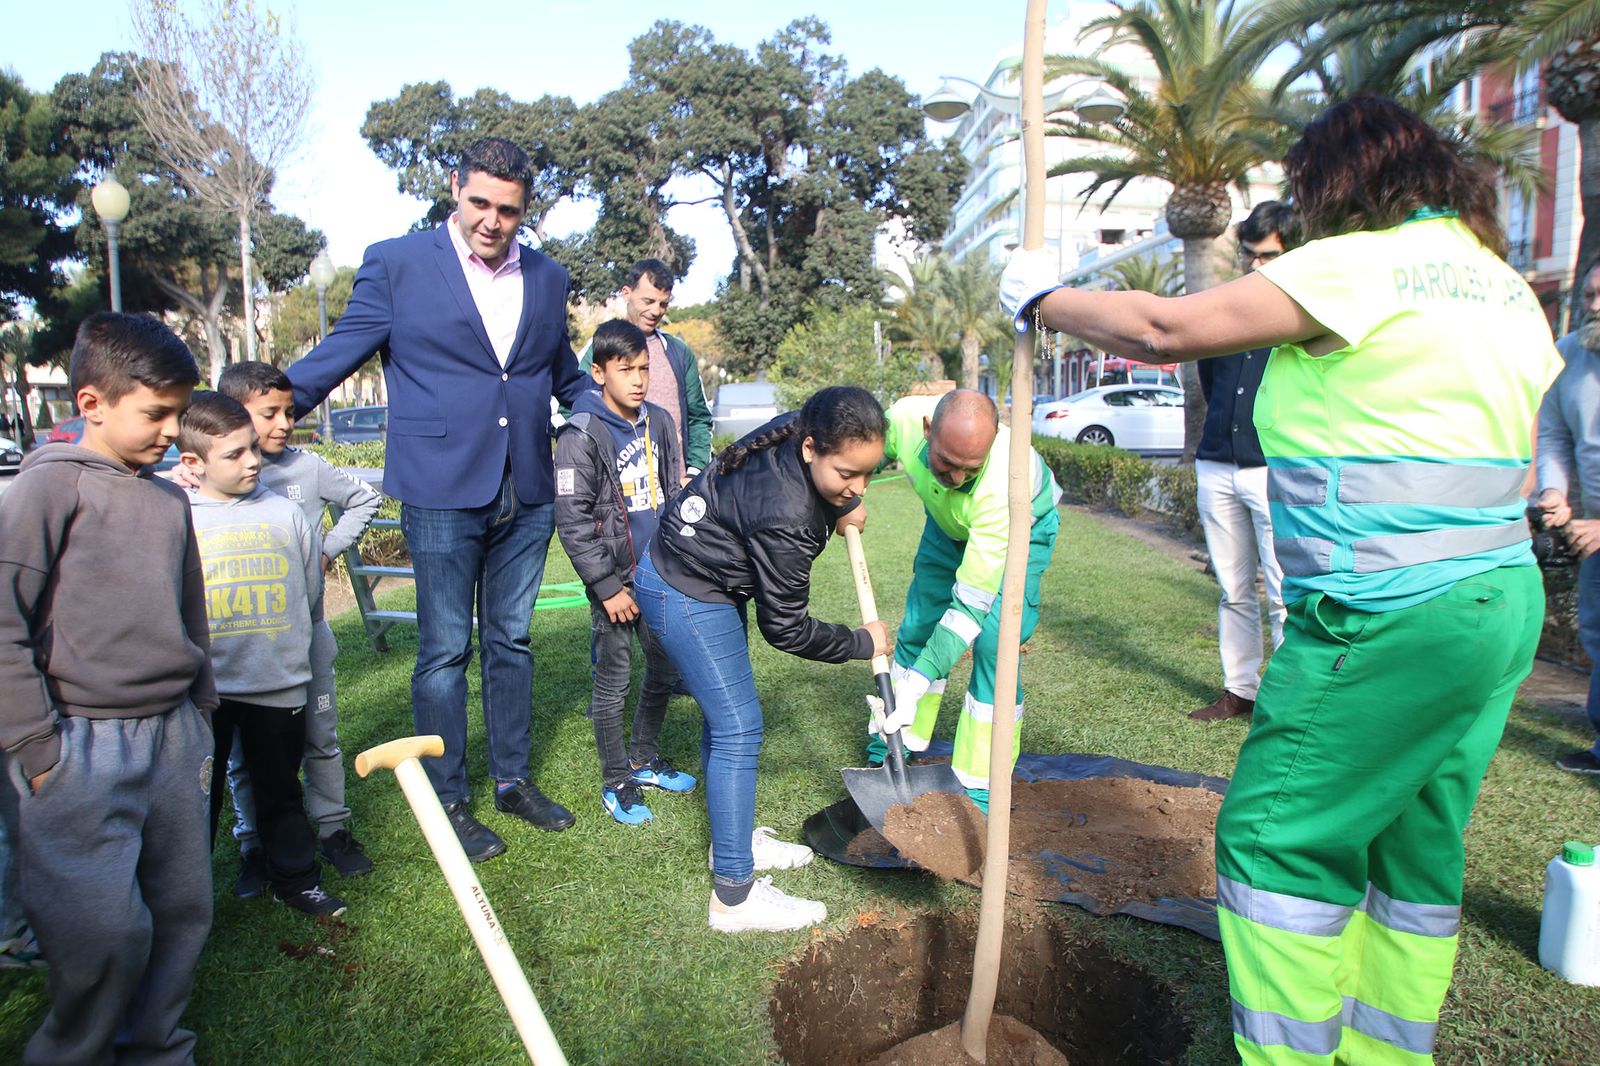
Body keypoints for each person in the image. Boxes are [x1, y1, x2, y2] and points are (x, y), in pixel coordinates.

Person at [1002, 95, 1561, 1066]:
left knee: (1274, 840)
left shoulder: (1358, 262)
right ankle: (1386, 1054)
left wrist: (1038, 300)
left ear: (1341, 181)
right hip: (1498, 600)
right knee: (1413, 839)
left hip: (1386, 610)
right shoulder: (1497, 281)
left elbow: (1162, 328)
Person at [286, 137, 592, 862]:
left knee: (510, 642)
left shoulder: (549, 278)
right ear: (454, 188)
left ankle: (513, 781)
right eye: (479, 202)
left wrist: (610, 417)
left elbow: (561, 373)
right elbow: (343, 349)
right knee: (444, 650)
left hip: (527, 487)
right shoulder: (396, 263)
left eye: (508, 210)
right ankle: (449, 797)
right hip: (440, 489)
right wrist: (261, 407)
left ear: (526, 209)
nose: (492, 220)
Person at [0, 312, 216, 1064]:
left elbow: (191, 611)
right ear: (91, 402)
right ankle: (75, 1052)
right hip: (77, 744)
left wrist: (202, 710)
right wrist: (35, 745)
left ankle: (158, 1047)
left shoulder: (165, 499)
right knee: (102, 929)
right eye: (155, 414)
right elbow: (4, 620)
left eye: (177, 415)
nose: (169, 431)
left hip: (174, 738)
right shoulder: (45, 490)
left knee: (182, 911)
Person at [634, 386, 890, 932]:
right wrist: (862, 642)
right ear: (811, 448)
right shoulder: (789, 516)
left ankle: (732, 838)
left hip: (697, 574)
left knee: (726, 722)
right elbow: (787, 629)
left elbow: (830, 488)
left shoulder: (800, 428)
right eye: (847, 473)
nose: (859, 487)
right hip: (685, 590)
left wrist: (842, 499)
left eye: (869, 473)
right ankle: (733, 896)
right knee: (738, 728)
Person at [179, 392, 345, 918]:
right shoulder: (176, 515)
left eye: (252, 449)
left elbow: (311, 594)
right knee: (196, 802)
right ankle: (185, 899)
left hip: (278, 684)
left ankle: (297, 878)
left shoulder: (287, 513)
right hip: (207, 693)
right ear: (192, 463)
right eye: (233, 455)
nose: (252, 461)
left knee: (280, 791)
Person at [217, 361, 381, 891]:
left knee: (321, 737)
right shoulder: (217, 479)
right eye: (270, 414)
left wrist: (326, 550)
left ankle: (333, 830)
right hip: (241, 651)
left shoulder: (306, 469)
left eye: (288, 412)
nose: (284, 423)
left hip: (307, 638)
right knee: (244, 756)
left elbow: (364, 497)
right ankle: (253, 844)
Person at [867, 390, 1061, 812]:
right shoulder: (902, 418)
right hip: (946, 525)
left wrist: (916, 684)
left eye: (967, 470)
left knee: (996, 645)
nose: (954, 478)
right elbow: (863, 451)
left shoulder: (1001, 490)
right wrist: (848, 493)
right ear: (926, 432)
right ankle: (897, 741)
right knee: (920, 623)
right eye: (944, 464)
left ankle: (981, 780)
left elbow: (970, 607)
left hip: (1018, 530)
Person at [554, 320, 696, 825]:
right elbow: (571, 520)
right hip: (616, 582)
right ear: (599, 373)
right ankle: (616, 780)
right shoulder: (582, 433)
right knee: (614, 682)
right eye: (625, 370)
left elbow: (675, 494)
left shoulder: (659, 421)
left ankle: (644, 757)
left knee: (664, 668)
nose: (637, 379)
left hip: (662, 575)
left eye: (644, 369)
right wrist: (607, 586)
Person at [1188, 201, 1300, 722]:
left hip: (1274, 469)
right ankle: (1241, 690)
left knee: (1283, 590)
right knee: (1234, 590)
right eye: (1251, 255)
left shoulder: (1304, 318)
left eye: (1270, 256)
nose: (1258, 267)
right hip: (1217, 463)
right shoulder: (1226, 310)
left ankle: (1286, 701)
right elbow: (1212, 382)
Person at [1536, 259, 1600, 774]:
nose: (1593, 305)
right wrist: (1554, 490)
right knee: (1596, 629)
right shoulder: (1570, 353)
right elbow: (1555, 435)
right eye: (1590, 293)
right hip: (1590, 525)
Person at [577, 258, 713, 481]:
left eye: (663, 304)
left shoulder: (679, 353)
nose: (655, 311)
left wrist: (694, 473)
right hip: (617, 494)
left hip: (675, 491)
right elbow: (569, 413)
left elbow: (699, 419)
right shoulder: (597, 350)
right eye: (648, 301)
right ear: (626, 293)